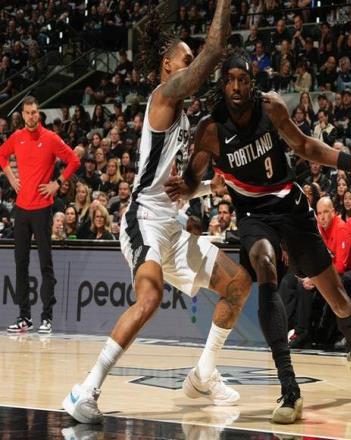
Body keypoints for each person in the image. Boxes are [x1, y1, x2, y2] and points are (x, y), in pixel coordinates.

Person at [165, 48, 351, 425]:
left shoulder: (270, 108)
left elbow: (304, 145)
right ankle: (289, 387)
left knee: (338, 300)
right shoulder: (210, 129)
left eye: (243, 80)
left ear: (251, 83)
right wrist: (183, 187)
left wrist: (350, 161)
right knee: (265, 267)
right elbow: (192, 178)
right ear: (223, 85)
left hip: (290, 206)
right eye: (230, 81)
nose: (236, 87)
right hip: (253, 216)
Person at [62, 0, 253, 425]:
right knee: (149, 298)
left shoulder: (184, 119)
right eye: (185, 59)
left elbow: (175, 184)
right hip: (144, 218)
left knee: (238, 284)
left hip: (172, 223)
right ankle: (85, 390)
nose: (192, 64)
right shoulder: (164, 97)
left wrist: (206, 186)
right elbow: (212, 53)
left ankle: (203, 374)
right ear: (168, 65)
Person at [0, 96, 80, 334]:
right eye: (27, 113)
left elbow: (74, 160)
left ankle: (47, 317)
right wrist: (12, 178)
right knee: (20, 264)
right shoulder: (17, 137)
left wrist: (57, 183)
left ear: (39, 113)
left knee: (46, 264)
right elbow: (1, 155)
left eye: (34, 112)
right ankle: (24, 317)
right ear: (22, 115)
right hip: (22, 209)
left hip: (43, 208)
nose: (31, 116)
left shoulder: (50, 138)